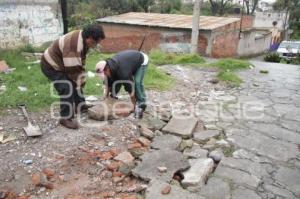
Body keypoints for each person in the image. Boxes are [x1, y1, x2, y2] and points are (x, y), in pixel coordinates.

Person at [41, 24, 105, 129]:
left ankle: (80, 105)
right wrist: (81, 81)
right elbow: (73, 70)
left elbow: (80, 61)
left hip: (63, 63)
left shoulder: (83, 38)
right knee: (67, 86)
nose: (95, 45)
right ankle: (65, 118)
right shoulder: (73, 45)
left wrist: (81, 76)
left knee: (76, 82)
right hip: (50, 65)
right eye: (95, 42)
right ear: (89, 37)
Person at [95, 50, 149, 118]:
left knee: (137, 83)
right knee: (114, 80)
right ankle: (113, 97)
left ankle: (141, 104)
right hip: (128, 61)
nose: (105, 75)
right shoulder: (110, 67)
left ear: (107, 69)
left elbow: (130, 89)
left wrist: (133, 105)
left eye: (105, 73)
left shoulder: (123, 73)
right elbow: (108, 84)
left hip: (141, 60)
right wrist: (105, 97)